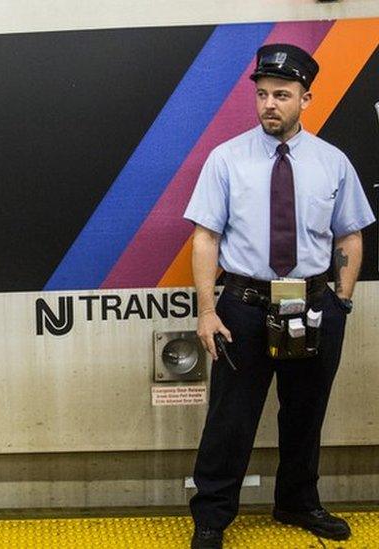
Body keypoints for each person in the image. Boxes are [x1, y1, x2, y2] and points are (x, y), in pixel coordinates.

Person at [184, 44, 375, 548]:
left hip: (314, 306)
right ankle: (211, 517)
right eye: (263, 94)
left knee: (305, 413)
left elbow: (350, 234)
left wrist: (342, 301)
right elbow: (205, 236)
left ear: (306, 99)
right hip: (243, 308)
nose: (269, 104)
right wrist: (207, 310)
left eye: (282, 95)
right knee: (231, 419)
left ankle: (297, 503)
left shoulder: (332, 162)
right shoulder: (226, 159)